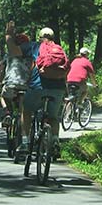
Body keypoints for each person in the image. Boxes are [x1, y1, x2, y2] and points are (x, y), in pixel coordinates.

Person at [16, 25, 68, 158]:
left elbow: (14, 52)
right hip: (58, 89)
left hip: (38, 87)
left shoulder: (34, 46)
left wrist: (9, 36)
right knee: (54, 117)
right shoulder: (60, 50)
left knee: (26, 110)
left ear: (40, 38)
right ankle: (55, 140)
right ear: (53, 38)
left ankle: (25, 142)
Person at [0, 23, 32, 128]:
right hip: (26, 86)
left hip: (10, 84)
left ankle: (7, 112)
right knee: (24, 112)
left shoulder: (9, 55)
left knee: (3, 96)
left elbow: (0, 69)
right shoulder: (31, 56)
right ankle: (23, 132)